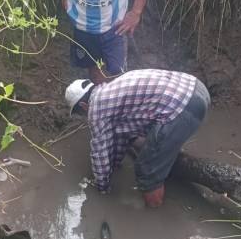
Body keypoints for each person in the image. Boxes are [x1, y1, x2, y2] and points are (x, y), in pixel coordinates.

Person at [65, 69, 210, 207]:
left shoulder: (95, 108)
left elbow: (99, 153)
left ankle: (155, 216)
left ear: (84, 106)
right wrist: (116, 163)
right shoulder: (108, 91)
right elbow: (121, 136)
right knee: (153, 149)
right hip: (196, 88)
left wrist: (102, 187)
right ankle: (166, 167)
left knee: (145, 170)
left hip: (184, 108)